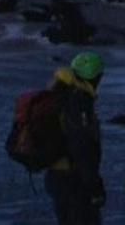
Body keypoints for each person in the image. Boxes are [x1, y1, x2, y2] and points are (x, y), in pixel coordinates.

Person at [45, 51, 106, 225]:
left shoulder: (59, 94)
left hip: (56, 173)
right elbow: (82, 144)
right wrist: (93, 185)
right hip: (74, 178)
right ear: (94, 77)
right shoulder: (79, 101)